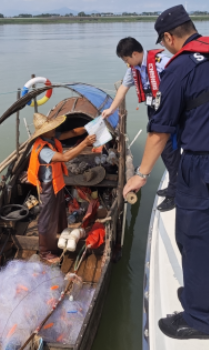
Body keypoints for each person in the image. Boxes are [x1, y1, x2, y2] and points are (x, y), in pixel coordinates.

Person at [123, 5, 209, 340]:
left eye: (163, 42)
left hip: (206, 166)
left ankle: (200, 317)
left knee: (194, 239)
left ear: (169, 37)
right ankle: (203, 289)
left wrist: (141, 174)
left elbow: (160, 132)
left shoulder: (180, 67)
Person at [102, 36, 180, 212]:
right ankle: (174, 185)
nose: (126, 63)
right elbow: (123, 89)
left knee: (171, 151)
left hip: (169, 113)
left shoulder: (162, 63)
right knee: (164, 151)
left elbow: (183, 83)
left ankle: (176, 192)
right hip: (154, 110)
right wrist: (111, 110)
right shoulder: (133, 69)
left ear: (135, 54)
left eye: (126, 59)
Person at [27, 112, 96, 264]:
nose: (55, 129)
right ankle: (45, 252)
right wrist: (85, 143)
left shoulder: (51, 137)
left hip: (56, 183)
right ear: (44, 132)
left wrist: (90, 127)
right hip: (47, 187)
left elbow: (72, 133)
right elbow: (65, 157)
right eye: (51, 128)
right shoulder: (43, 150)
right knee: (46, 219)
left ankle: (60, 237)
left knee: (59, 212)